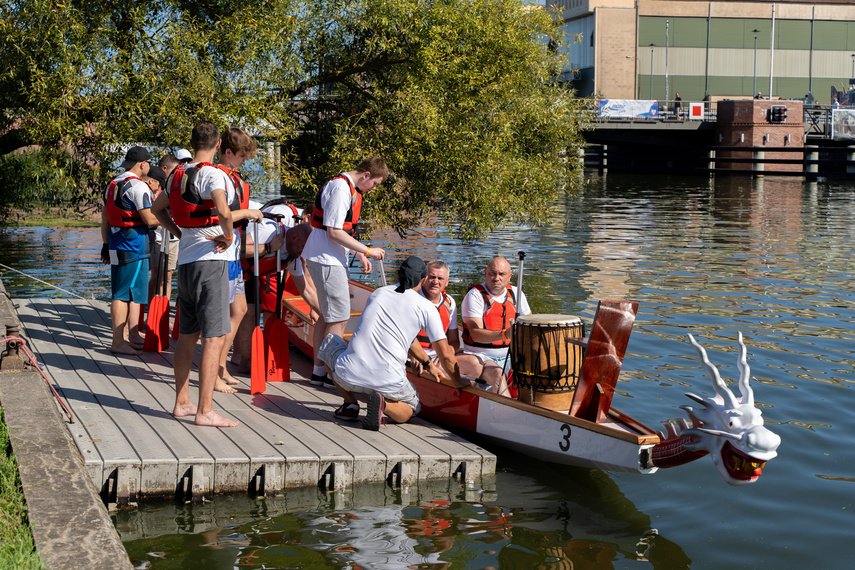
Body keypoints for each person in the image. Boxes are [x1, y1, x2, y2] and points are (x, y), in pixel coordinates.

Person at [151, 121, 253, 428]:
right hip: (212, 261)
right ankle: (205, 410)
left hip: (187, 263)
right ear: (219, 143)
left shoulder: (176, 175)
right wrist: (232, 235)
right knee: (214, 337)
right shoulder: (213, 173)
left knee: (187, 335)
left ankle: (182, 402)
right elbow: (224, 212)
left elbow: (157, 210)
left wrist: (179, 234)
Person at [317, 256, 467, 430]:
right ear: (424, 279)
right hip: (388, 381)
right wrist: (457, 381)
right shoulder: (427, 308)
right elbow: (447, 356)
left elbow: (404, 337)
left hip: (348, 375)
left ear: (398, 275)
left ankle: (350, 404)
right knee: (412, 408)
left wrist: (427, 362)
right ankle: (383, 404)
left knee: (329, 343)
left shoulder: (378, 293)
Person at [302, 157, 389, 388]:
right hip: (326, 259)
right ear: (366, 175)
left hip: (327, 257)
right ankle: (335, 374)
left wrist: (358, 254)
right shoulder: (341, 188)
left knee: (328, 316)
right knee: (339, 318)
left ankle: (320, 372)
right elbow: (334, 231)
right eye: (375, 184)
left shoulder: (347, 187)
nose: (373, 189)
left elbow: (340, 232)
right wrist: (368, 250)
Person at [212, 127, 265, 392]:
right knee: (224, 315)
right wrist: (248, 211)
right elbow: (220, 215)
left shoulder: (233, 177)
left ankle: (221, 367)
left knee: (240, 310)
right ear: (228, 152)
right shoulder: (217, 177)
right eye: (242, 156)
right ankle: (215, 373)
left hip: (233, 254)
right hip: (222, 256)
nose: (245, 161)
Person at [234, 220, 320, 373]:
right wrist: (268, 248)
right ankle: (244, 361)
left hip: (260, 272)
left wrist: (323, 312)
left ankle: (262, 358)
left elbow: (306, 290)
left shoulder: (294, 258)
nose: (303, 254)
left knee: (268, 312)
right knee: (248, 314)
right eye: (303, 249)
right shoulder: (269, 231)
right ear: (294, 237)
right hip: (238, 269)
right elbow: (237, 247)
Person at [100, 145, 157, 355]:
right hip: (132, 244)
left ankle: (122, 338)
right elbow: (149, 218)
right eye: (149, 163)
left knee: (120, 289)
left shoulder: (113, 183)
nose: (149, 167)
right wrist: (172, 221)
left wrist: (105, 244)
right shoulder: (138, 186)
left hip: (115, 242)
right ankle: (117, 342)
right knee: (123, 294)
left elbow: (105, 217)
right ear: (142, 164)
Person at [456, 256, 531, 397]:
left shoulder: (517, 294)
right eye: (492, 273)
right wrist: (505, 334)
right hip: (481, 356)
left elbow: (529, 325)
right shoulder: (475, 296)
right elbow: (476, 334)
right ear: (485, 273)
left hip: (510, 356)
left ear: (509, 277)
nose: (496, 278)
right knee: (498, 374)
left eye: (502, 274)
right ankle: (506, 415)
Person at [409, 260, 459, 374]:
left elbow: (454, 342)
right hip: (411, 356)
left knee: (474, 365)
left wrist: (446, 354)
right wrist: (414, 355)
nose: (435, 282)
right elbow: (397, 336)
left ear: (447, 282)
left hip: (438, 357)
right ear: (424, 278)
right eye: (432, 277)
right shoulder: (411, 298)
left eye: (440, 278)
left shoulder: (450, 303)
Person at [147, 155, 181, 303]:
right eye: (174, 169)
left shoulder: (177, 185)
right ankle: (150, 307)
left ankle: (164, 308)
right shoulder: (152, 189)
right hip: (157, 239)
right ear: (165, 169)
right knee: (156, 274)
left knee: (168, 275)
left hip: (173, 239)